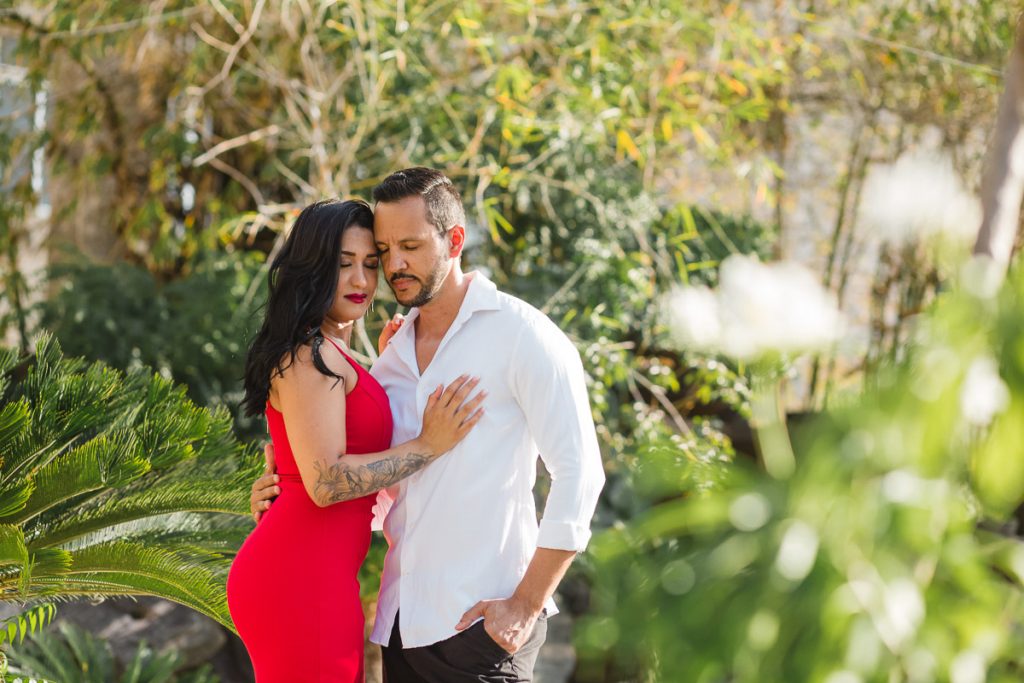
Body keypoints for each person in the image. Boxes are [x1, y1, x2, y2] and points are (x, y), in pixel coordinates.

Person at [250, 168, 606, 682]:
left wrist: (526, 604)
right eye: (385, 250)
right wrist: (292, 492)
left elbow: (580, 474)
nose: (394, 266)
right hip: (401, 628)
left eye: (410, 247)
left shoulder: (522, 335)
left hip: (483, 624)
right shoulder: (390, 359)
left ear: (455, 240)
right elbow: (392, 493)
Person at [227, 198, 486, 682]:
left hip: (317, 573)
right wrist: (428, 445)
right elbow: (326, 483)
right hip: (300, 577)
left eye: (371, 264)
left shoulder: (334, 354)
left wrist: (386, 371)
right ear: (312, 268)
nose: (362, 281)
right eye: (343, 265)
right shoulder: (311, 353)